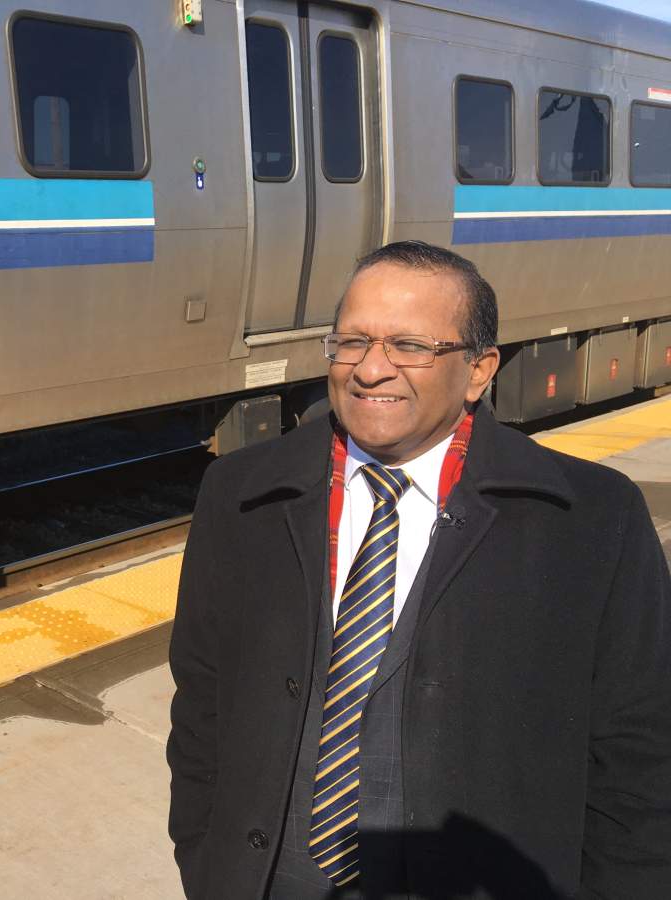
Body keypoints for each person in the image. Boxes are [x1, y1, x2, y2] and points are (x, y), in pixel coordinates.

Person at [167, 240, 671, 899]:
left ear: (478, 371)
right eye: (351, 342)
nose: (371, 369)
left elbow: (639, 757)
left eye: (409, 346)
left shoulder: (592, 519)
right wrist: (205, 862)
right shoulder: (238, 494)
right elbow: (201, 700)